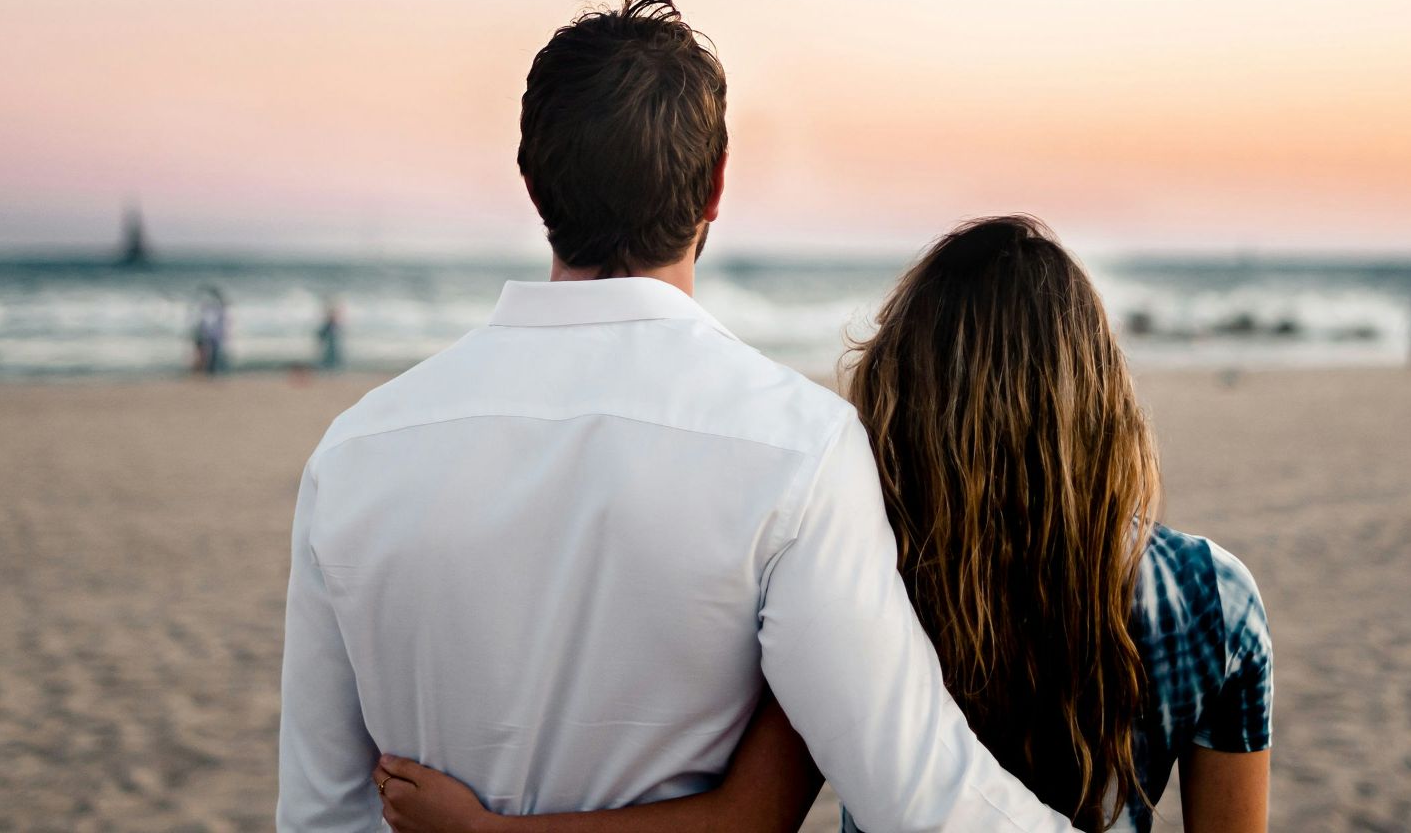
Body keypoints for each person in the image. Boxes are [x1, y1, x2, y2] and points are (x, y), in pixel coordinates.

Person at [277, 0, 1074, 832]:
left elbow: (324, 814)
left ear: (534, 181)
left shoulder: (358, 452)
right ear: (716, 185)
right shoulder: (795, 448)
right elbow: (920, 796)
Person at [377, 217, 1273, 832]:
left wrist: (486, 830)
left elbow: (745, 820)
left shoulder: (867, 571)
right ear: (1099, 396)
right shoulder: (1214, 599)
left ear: (909, 394)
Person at [192, 286, 228, 375]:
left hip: (213, 335)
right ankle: (209, 371)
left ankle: (210, 371)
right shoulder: (212, 309)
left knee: (211, 354)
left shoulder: (214, 309)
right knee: (208, 354)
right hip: (211, 335)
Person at [315, 299, 343, 370]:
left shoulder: (331, 324)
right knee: (330, 353)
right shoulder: (329, 324)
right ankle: (330, 367)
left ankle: (331, 367)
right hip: (329, 341)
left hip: (331, 341)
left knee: (331, 353)